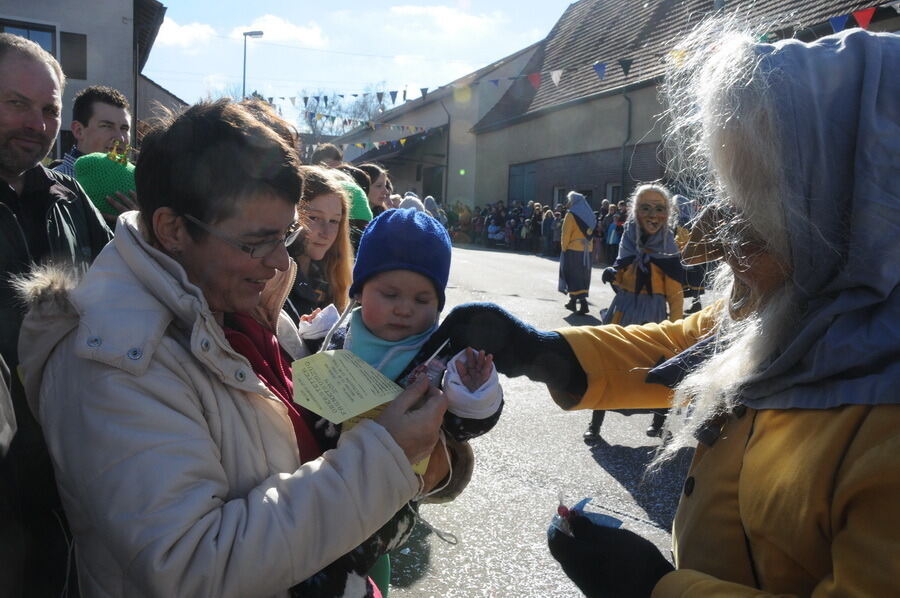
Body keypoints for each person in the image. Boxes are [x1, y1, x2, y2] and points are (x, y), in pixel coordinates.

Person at [425, 23, 900, 598]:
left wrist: (655, 589)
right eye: (733, 194)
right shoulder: (798, 297)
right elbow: (690, 347)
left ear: (856, 202)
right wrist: (541, 350)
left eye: (763, 199)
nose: (727, 233)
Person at [16, 99, 448, 598]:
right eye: (256, 242)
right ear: (173, 229)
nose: (276, 261)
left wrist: (429, 436)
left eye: (286, 234)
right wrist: (387, 456)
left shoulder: (237, 300)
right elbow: (194, 565)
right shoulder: (113, 361)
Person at [327, 207, 504, 596]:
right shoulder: (338, 334)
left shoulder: (442, 356)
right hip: (329, 475)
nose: (405, 308)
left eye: (423, 299)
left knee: (362, 559)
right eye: (389, 294)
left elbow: (464, 426)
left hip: (397, 487)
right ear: (358, 293)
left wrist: (474, 391)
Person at [0, 32, 112, 596]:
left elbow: (124, 283)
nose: (36, 124)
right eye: (16, 103)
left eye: (47, 109)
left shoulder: (69, 195)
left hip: (73, 454)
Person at [585, 183, 685, 440]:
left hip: (653, 314)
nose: (653, 215)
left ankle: (658, 422)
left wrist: (676, 326)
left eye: (660, 209)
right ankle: (594, 425)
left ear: (669, 212)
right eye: (646, 208)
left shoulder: (668, 248)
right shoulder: (629, 238)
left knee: (659, 364)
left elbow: (674, 291)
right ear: (635, 211)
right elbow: (623, 275)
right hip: (624, 310)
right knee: (611, 362)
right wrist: (614, 274)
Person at [283, 166, 352, 334]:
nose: (326, 233)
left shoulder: (331, 277)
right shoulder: (275, 278)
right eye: (314, 218)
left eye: (334, 221)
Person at [54, 85, 131, 178]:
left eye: (124, 128)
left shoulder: (134, 184)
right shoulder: (52, 185)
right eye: (107, 126)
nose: (120, 138)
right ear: (79, 131)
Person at [558, 191, 594, 315]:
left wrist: (564, 247)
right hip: (587, 250)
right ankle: (573, 302)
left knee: (573, 275)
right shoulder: (590, 214)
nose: (568, 203)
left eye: (569, 200)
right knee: (583, 276)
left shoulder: (571, 215)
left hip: (573, 248)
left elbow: (566, 233)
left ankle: (582, 303)